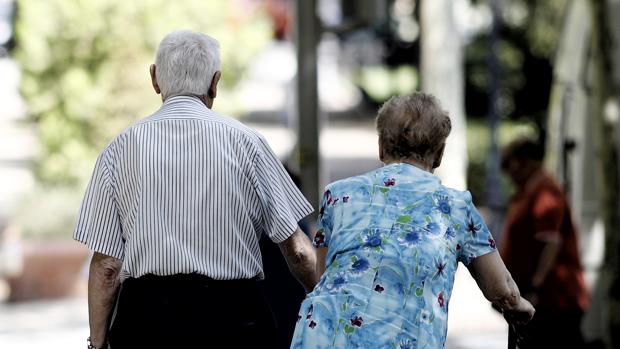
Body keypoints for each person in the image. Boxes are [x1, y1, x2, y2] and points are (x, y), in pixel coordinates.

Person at [73, 30, 318, 349]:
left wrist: (97, 343)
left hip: (147, 322)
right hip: (235, 320)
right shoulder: (248, 144)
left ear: (155, 78)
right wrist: (322, 299)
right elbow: (297, 250)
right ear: (215, 82)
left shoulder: (120, 149)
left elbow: (107, 265)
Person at [290, 92, 535, 349]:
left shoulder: (338, 195)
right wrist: (521, 306)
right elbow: (501, 289)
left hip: (322, 337)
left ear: (381, 147)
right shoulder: (455, 206)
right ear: (439, 154)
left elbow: (323, 275)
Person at [500, 138, 589, 349]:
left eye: (508, 163)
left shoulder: (545, 192)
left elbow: (551, 243)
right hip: (538, 301)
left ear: (527, 162)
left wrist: (534, 287)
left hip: (553, 302)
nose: (507, 172)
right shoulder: (528, 192)